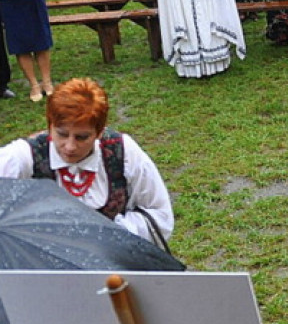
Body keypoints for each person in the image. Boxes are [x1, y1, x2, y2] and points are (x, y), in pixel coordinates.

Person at [0, 78, 174, 245]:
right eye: (61, 134)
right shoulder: (23, 156)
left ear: (99, 133)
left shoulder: (122, 151)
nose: (69, 146)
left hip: (113, 260)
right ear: (50, 126)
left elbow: (160, 215)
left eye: (82, 137)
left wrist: (106, 235)